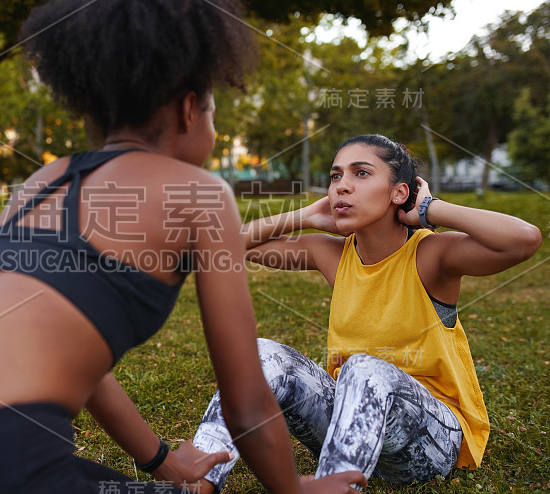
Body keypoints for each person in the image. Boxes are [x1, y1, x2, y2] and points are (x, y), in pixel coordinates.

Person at [0, 0, 365, 494]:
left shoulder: (41, 183)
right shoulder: (201, 194)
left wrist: (162, 459)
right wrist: (294, 489)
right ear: (189, 108)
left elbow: (77, 360)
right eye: (211, 108)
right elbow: (247, 399)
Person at [192, 134, 543, 492]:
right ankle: (198, 482)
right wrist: (307, 215)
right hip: (354, 426)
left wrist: (430, 208)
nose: (342, 186)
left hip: (431, 441)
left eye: (360, 174)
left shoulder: (432, 255)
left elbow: (524, 239)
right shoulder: (332, 254)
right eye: (335, 176)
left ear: (399, 193)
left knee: (362, 367)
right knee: (261, 352)